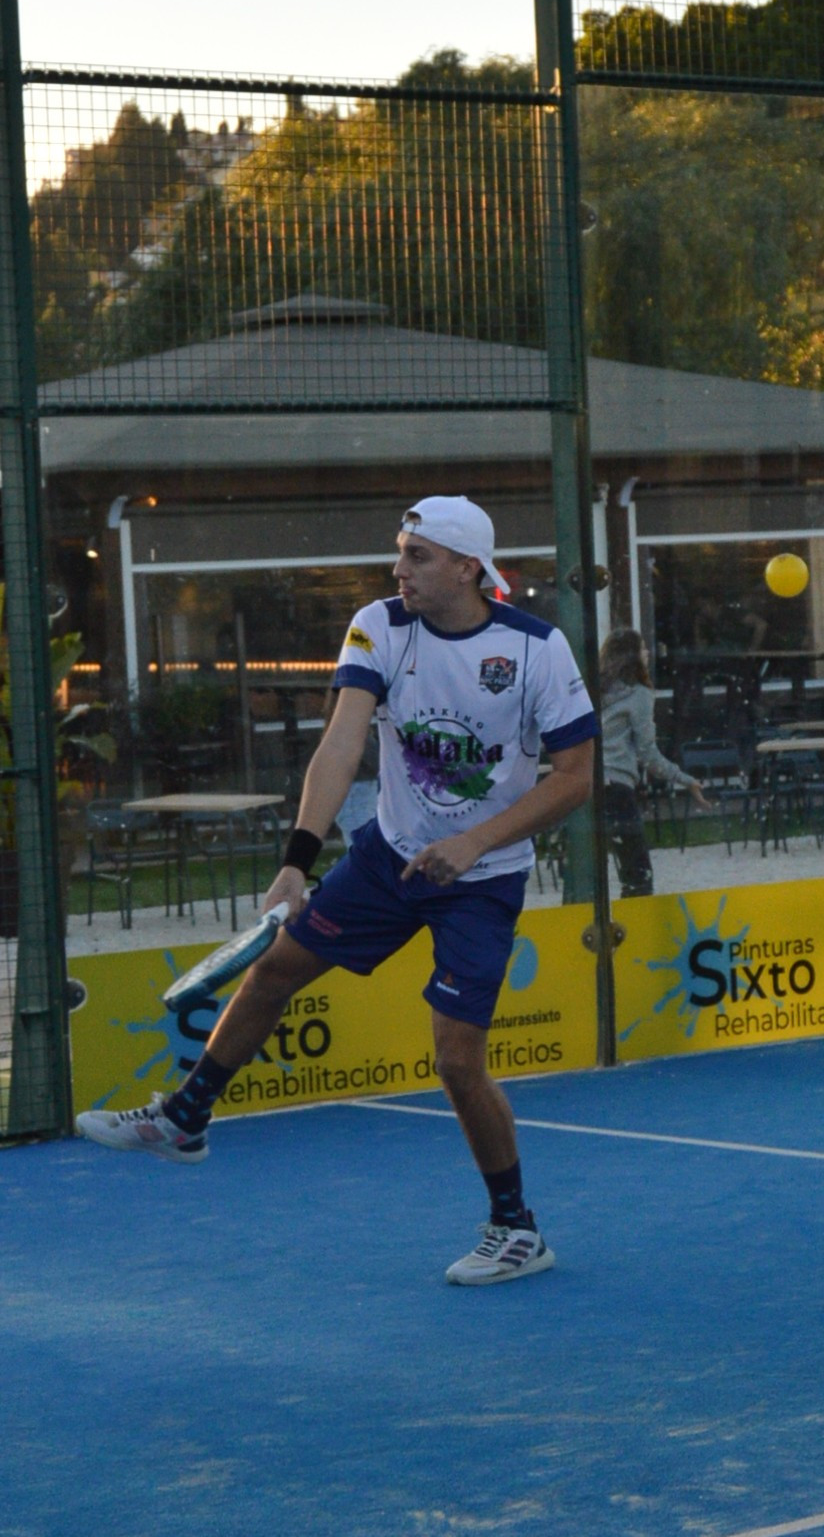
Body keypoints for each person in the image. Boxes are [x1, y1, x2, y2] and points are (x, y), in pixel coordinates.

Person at [77, 495, 598, 1286]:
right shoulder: (378, 624)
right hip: (387, 858)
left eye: (417, 555)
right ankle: (185, 1116)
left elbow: (575, 777)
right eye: (399, 551)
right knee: (274, 969)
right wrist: (295, 859)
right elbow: (342, 739)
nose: (398, 568)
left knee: (457, 1061)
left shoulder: (536, 649)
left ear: (467, 567)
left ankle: (516, 1228)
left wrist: (471, 843)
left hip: (481, 879)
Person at [598, 629, 712, 897]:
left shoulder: (594, 690)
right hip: (616, 787)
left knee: (595, 875)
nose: (647, 653)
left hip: (587, 786)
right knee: (638, 876)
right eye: (642, 648)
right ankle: (633, 922)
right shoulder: (638, 695)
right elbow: (648, 754)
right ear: (632, 656)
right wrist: (684, 779)